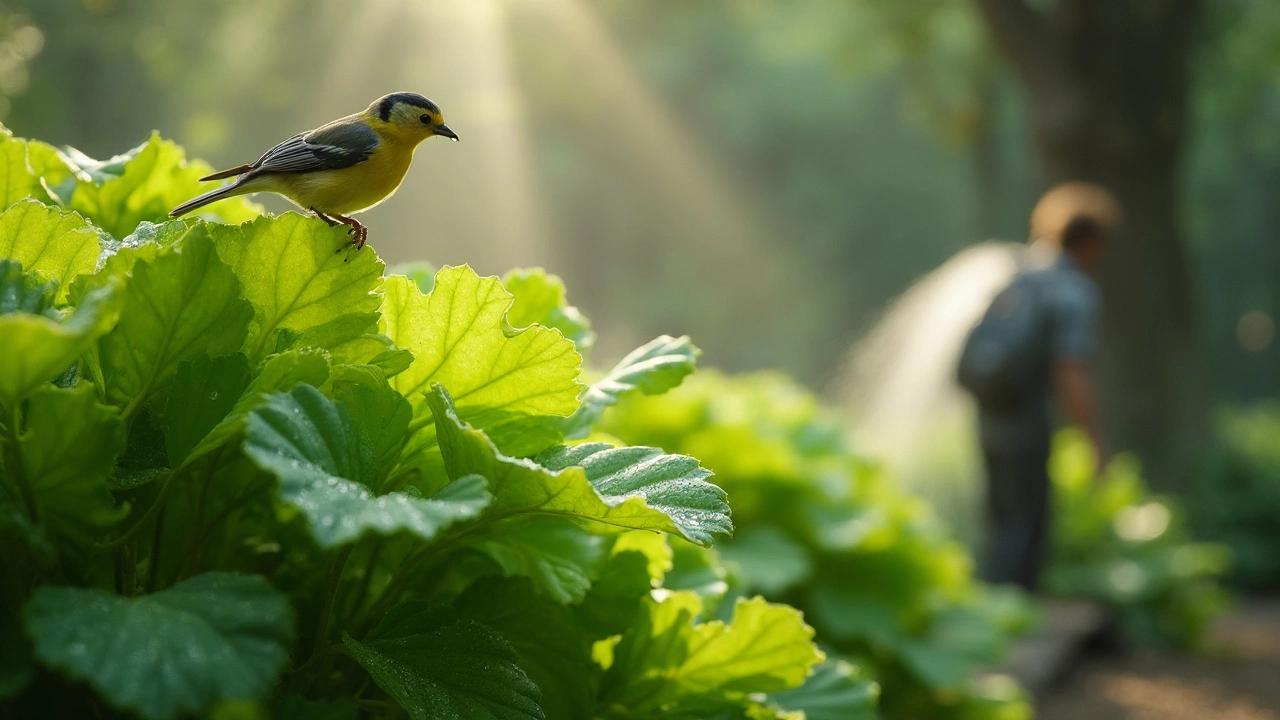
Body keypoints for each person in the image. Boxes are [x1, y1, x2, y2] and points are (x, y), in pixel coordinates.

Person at [961, 183, 1117, 592]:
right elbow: (1071, 370)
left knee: (1000, 525)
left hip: (989, 416)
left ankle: (991, 617)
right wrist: (1095, 441)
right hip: (1027, 424)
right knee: (1026, 527)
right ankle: (1013, 623)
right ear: (1090, 243)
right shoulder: (1072, 291)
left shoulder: (1015, 276)